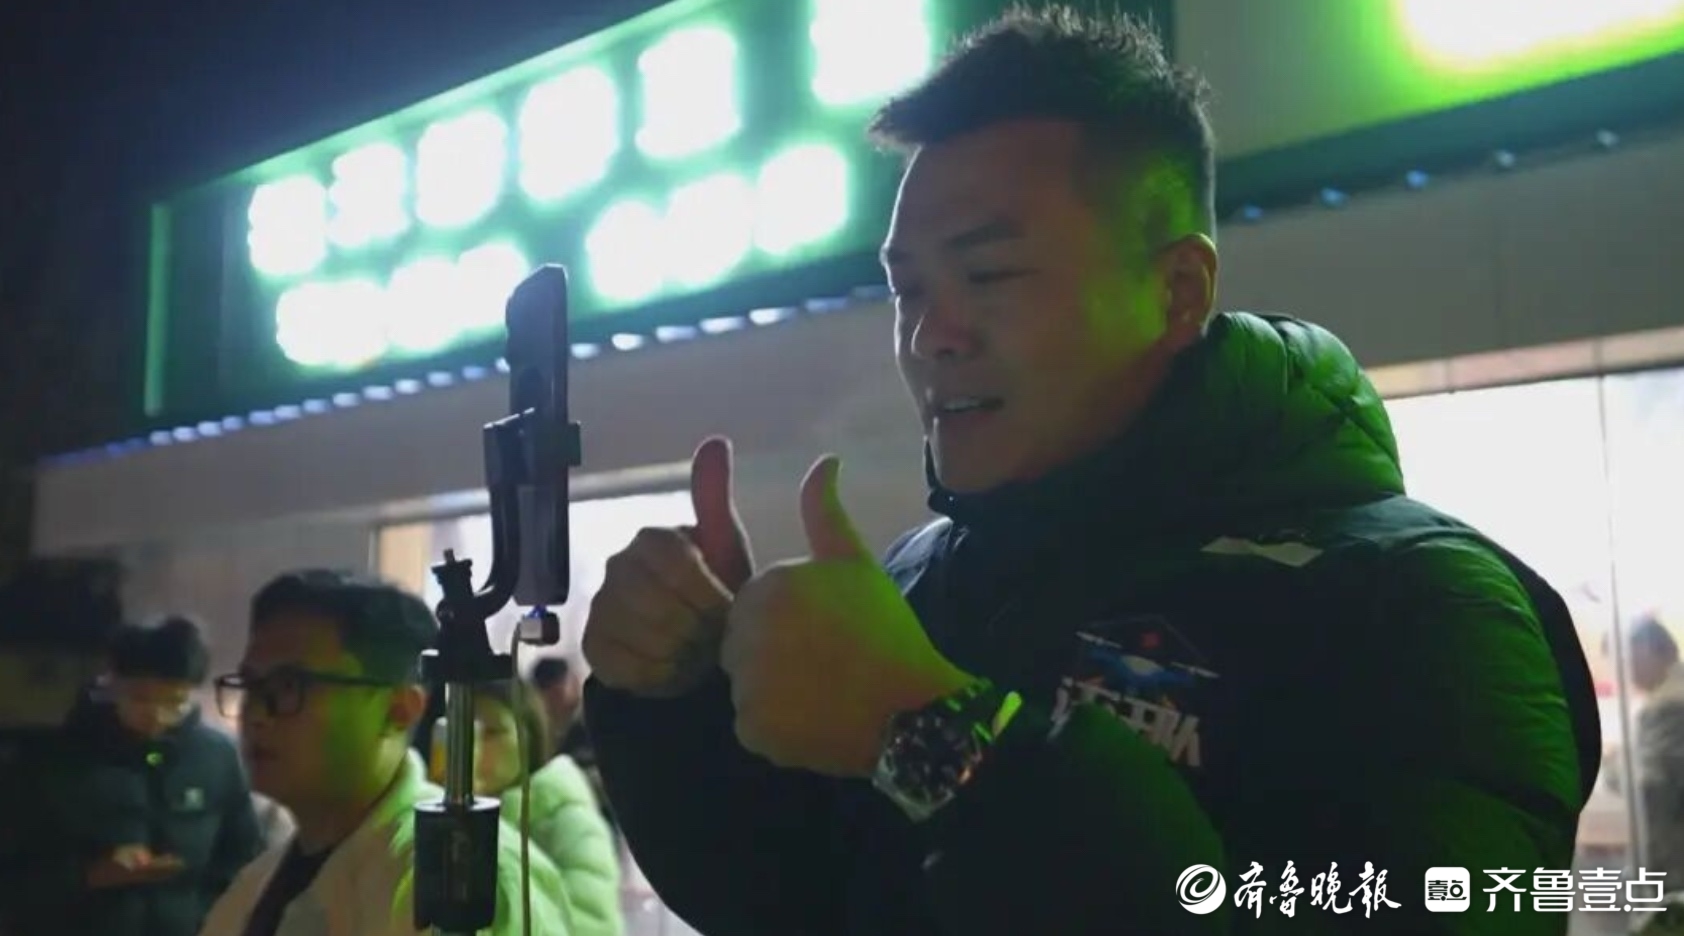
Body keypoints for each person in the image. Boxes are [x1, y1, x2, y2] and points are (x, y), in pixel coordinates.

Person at [579, 7, 1600, 935]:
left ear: (1177, 291)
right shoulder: (926, 574)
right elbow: (795, 897)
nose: (931, 335)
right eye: (908, 290)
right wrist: (674, 699)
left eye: (989, 274)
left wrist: (940, 739)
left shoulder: (1418, 608)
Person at [196, 569, 571, 936]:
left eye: (289, 686)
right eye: (251, 685)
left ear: (399, 710)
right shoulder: (257, 883)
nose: (256, 715)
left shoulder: (463, 882)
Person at [0, 615, 262, 936]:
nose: (157, 715)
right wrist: (91, 875)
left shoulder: (216, 757)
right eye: (141, 699)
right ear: (112, 685)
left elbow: (245, 858)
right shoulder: (51, 763)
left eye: (174, 702)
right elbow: (13, 877)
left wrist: (207, 916)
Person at [471, 679, 624, 936]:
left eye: (492, 733)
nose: (474, 746)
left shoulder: (568, 819)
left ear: (528, 737)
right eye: (466, 732)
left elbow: (591, 925)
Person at [1604, 616, 1684, 885]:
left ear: (1646, 650)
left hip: (1674, 862)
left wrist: (1613, 764)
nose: (1621, 672)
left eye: (1622, 660)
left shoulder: (1669, 704)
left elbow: (1647, 786)